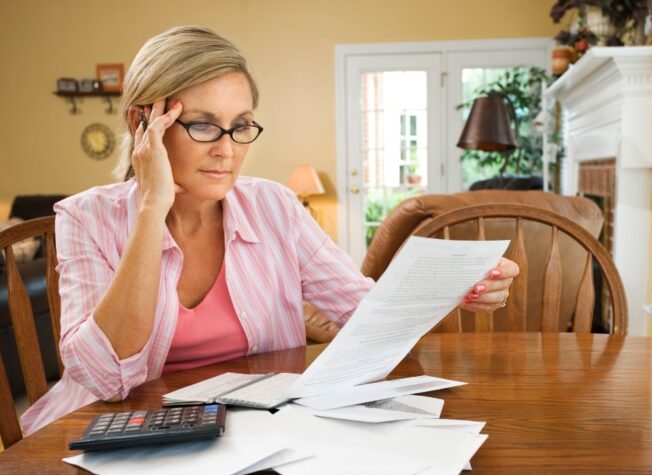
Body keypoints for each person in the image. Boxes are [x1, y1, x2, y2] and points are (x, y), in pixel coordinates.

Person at [21, 26, 518, 435]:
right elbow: (104, 378)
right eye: (203, 125)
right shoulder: (85, 218)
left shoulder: (274, 206)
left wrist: (457, 288)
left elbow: (363, 312)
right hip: (121, 432)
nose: (228, 149)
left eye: (241, 125)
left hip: (257, 433)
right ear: (142, 124)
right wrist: (153, 206)